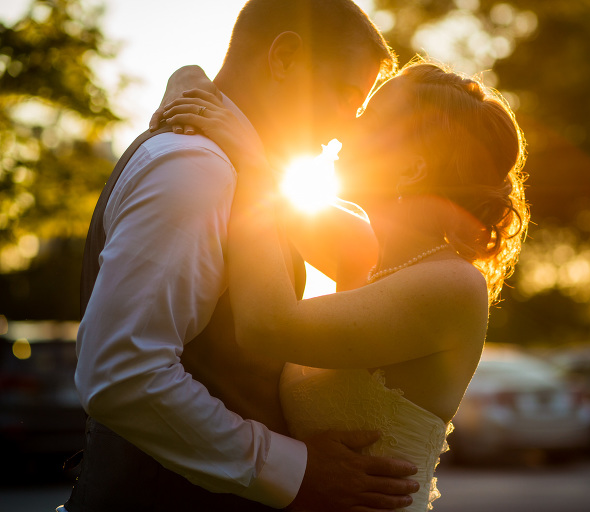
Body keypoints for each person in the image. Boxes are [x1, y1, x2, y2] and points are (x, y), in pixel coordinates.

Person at [60, 1, 421, 511]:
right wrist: (296, 469)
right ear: (285, 57)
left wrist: (203, 97)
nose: (343, 130)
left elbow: (356, 242)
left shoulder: (239, 173)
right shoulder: (194, 168)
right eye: (344, 96)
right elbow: (123, 373)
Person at [157, 59, 529, 511]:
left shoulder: (453, 285)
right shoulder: (361, 248)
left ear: (410, 169)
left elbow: (266, 325)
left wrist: (251, 164)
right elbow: (214, 106)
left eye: (370, 119)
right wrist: (184, 83)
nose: (346, 127)